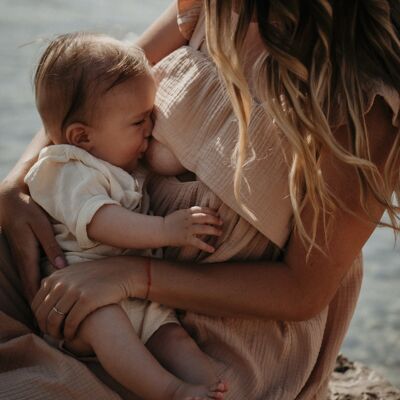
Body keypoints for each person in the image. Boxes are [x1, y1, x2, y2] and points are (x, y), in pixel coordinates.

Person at [0, 1, 399, 399]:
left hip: (210, 341)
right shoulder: (214, 7)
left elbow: (303, 291)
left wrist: (132, 276)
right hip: (90, 256)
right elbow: (92, 87)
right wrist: (16, 183)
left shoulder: (364, 104)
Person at [24, 31, 227, 400]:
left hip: (131, 293)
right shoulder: (66, 169)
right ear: (82, 137)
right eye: (138, 123)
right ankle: (170, 391)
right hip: (83, 303)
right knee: (111, 329)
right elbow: (103, 222)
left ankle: (214, 387)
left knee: (172, 336)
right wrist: (167, 229)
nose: (149, 130)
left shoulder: (115, 164)